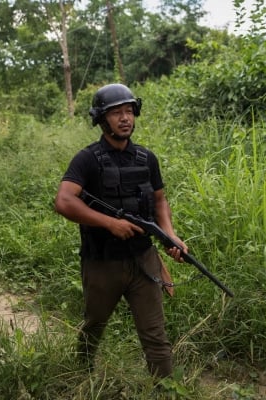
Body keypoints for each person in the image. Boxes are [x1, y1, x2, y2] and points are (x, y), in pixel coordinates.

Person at [54, 83, 187, 378]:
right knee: (94, 326)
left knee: (155, 335)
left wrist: (170, 235)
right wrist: (109, 223)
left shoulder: (146, 159)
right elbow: (63, 201)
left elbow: (160, 200)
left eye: (129, 111)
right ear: (102, 119)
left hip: (143, 259)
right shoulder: (87, 159)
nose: (125, 118)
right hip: (103, 263)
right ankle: (81, 377)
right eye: (116, 113)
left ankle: (165, 391)